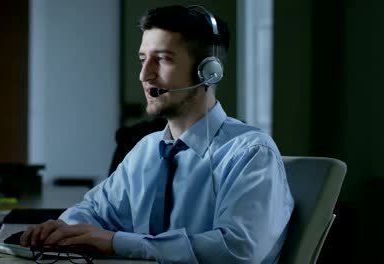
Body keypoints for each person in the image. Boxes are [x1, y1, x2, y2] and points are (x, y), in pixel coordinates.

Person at [21, 5, 294, 263]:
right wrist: (60, 230)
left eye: (162, 59)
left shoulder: (251, 153)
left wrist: (116, 243)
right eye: (143, 59)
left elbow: (238, 251)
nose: (144, 75)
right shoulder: (147, 150)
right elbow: (93, 212)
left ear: (208, 72)